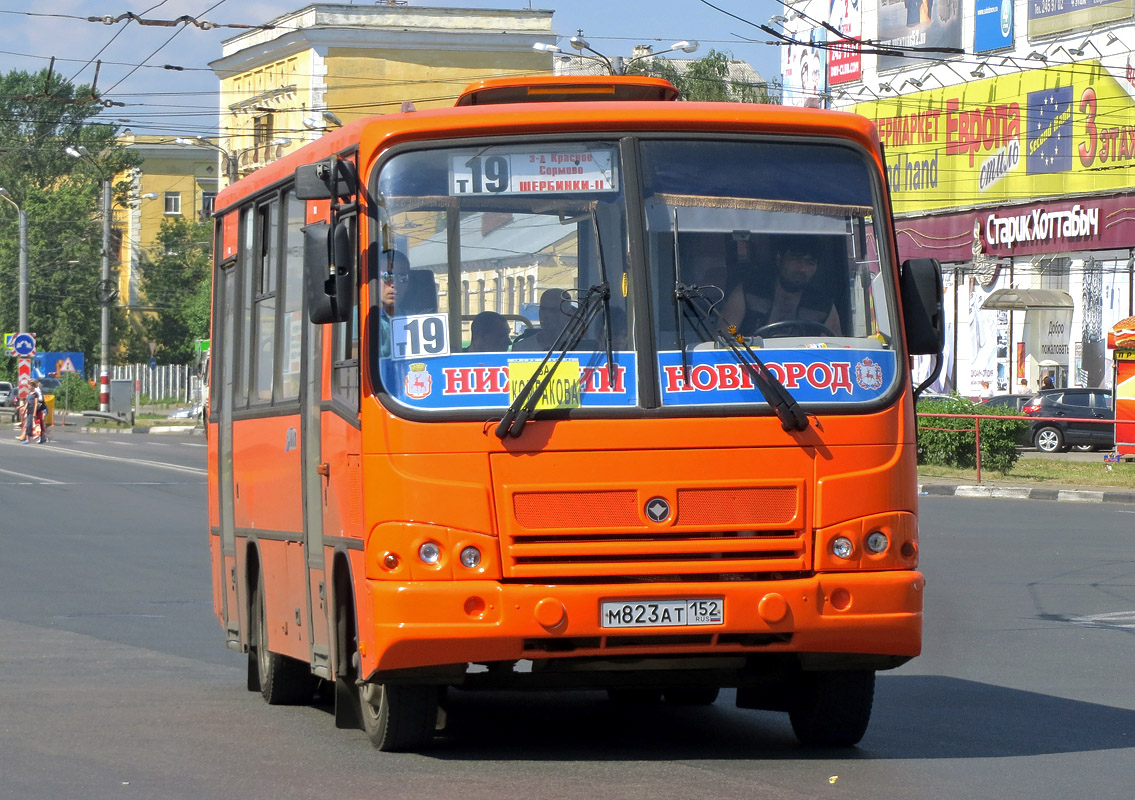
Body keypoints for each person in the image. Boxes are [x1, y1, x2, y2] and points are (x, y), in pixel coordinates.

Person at [723, 237, 841, 337]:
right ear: (779, 259)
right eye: (796, 260)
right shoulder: (748, 292)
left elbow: (835, 349)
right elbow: (723, 338)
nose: (802, 269)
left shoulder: (823, 306)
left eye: (810, 263)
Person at [378, 250, 410, 357]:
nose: (394, 284)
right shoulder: (360, 318)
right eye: (388, 277)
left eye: (402, 277)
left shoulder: (413, 319)